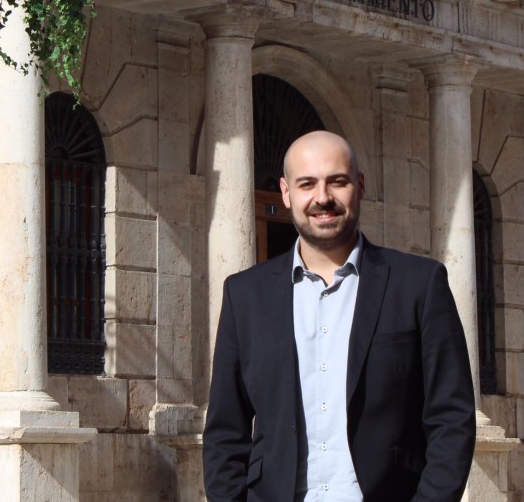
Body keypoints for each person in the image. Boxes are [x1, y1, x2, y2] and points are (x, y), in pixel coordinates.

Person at [203, 130, 476, 501]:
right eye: (307, 184)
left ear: (359, 185)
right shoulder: (245, 296)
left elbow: (452, 419)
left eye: (337, 181)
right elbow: (225, 431)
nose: (322, 198)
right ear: (286, 193)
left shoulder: (419, 285)